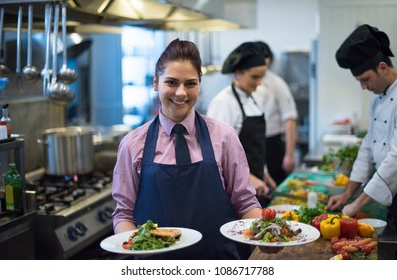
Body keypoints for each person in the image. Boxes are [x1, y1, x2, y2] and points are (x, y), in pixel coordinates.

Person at [111, 38, 263, 260]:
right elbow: (124, 214)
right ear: (156, 83)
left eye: (190, 83)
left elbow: (245, 203)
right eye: (171, 82)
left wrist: (265, 234)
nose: (181, 93)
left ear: (199, 85)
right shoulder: (133, 144)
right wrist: (133, 246)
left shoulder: (224, 137)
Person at [326, 24, 397, 226]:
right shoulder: (376, 99)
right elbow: (368, 147)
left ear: (383, 67)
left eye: (365, 79)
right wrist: (347, 194)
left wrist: (356, 204)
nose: (363, 86)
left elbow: (395, 159)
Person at [207, 41, 277, 208]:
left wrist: (264, 173)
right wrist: (249, 178)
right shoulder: (224, 102)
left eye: (262, 76)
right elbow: (217, 154)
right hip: (234, 188)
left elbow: (255, 147)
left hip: (255, 184)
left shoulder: (255, 97)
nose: (259, 82)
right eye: (255, 77)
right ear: (238, 73)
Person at [255, 41, 298, 185]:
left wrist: (290, 154)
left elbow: (290, 119)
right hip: (253, 144)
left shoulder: (277, 83)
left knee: (276, 187)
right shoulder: (243, 85)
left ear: (270, 61)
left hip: (272, 144)